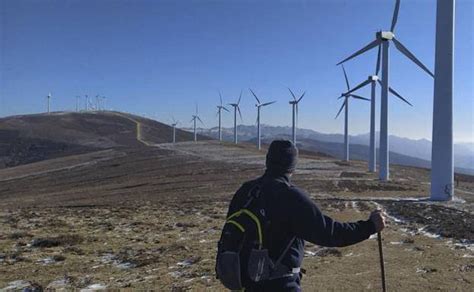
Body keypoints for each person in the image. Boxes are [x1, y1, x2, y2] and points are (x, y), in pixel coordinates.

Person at [225, 140, 385, 291]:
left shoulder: (246, 191)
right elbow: (329, 233)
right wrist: (370, 226)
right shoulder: (290, 196)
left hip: (246, 283)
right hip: (280, 285)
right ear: (292, 166)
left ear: (268, 160)